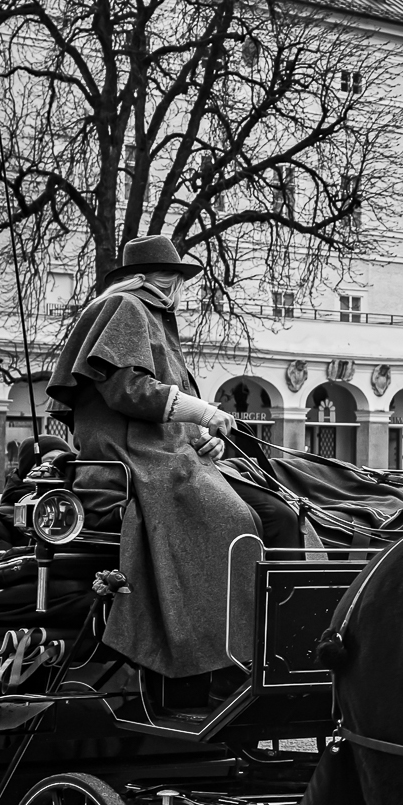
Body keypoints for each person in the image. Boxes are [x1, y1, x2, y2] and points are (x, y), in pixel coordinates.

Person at [45, 235, 304, 699]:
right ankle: (229, 662)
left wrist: (200, 439)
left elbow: (156, 408)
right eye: (179, 279)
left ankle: (268, 650)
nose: (182, 289)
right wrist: (202, 413)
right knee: (238, 521)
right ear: (160, 279)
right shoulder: (127, 306)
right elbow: (127, 390)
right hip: (139, 462)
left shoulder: (148, 316)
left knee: (281, 515)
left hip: (170, 457)